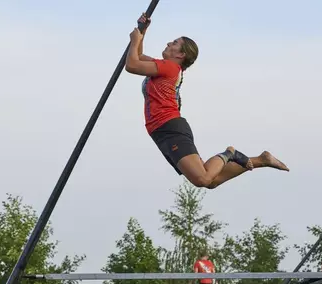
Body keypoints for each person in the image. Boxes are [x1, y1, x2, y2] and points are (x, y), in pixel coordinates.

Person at [124, 13, 289, 189]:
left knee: (202, 179)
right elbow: (138, 56)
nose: (168, 44)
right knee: (211, 179)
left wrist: (135, 39)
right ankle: (261, 160)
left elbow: (132, 65)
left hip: (169, 127)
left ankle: (229, 153)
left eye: (174, 43)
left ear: (181, 54)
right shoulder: (164, 67)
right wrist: (143, 31)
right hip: (160, 131)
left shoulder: (170, 67)